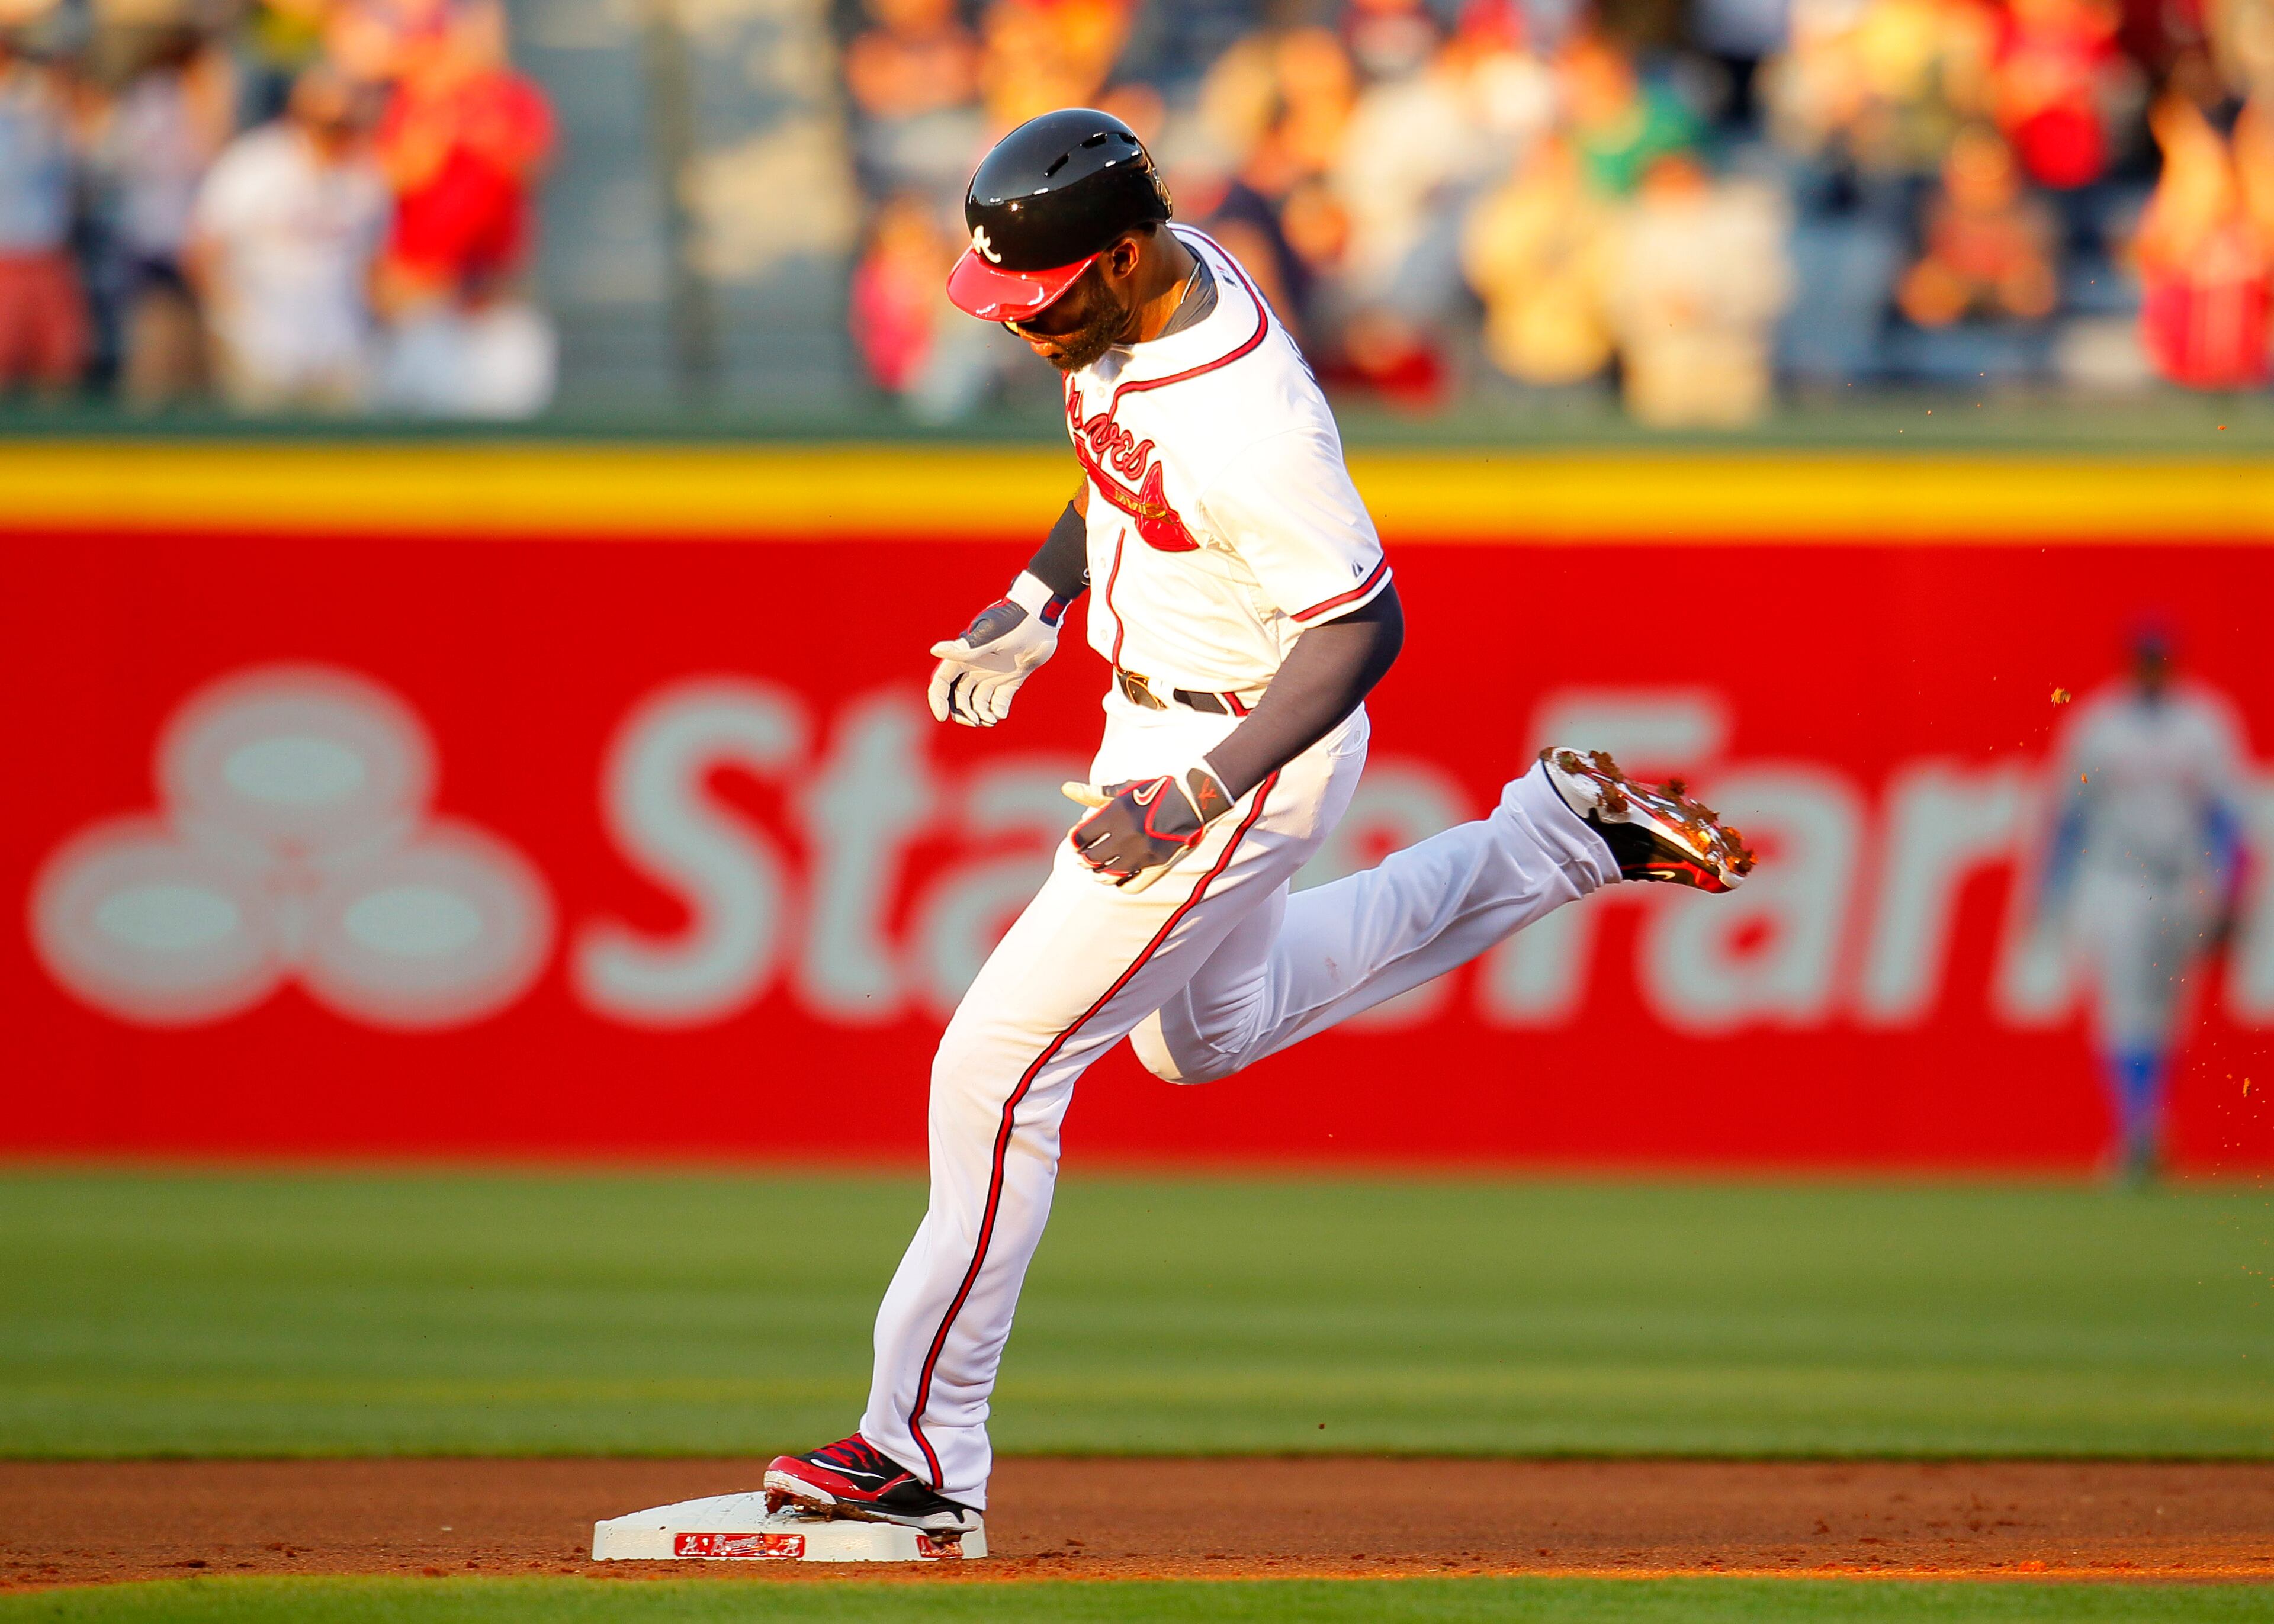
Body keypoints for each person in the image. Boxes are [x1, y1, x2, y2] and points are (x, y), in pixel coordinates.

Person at [756, 108, 1756, 1539]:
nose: (1022, 327)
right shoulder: (1137, 299)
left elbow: (1360, 628)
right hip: (1155, 710)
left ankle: (917, 1447)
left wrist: (1198, 789)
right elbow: (1118, 467)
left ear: (1116, 257)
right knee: (1197, 1038)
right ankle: (1557, 838)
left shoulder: (1247, 417)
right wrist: (1037, 604)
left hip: (1238, 739)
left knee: (993, 1064)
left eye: (1039, 299)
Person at [2039, 629, 2250, 1185]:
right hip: (2116, 881)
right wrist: (2053, 891)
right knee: (2125, 1005)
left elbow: (2227, 812)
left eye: (2160, 661)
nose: (2152, 669)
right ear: (2130, 664)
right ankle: (2137, 1132)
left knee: (2165, 1011)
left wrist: (2231, 886)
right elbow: (2071, 811)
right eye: (2144, 661)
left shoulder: (2203, 722)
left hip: (2182, 880)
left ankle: (2147, 1126)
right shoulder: (2098, 725)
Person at [187, 65, 390, 410]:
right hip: (264, 348)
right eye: (329, 126)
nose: (338, 136)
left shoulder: (366, 177)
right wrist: (232, 322)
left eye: (347, 125)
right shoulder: (256, 164)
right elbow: (202, 250)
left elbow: (372, 265)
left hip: (337, 349)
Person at [0, 25, 85, 397]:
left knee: (60, 365)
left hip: (48, 255)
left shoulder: (45, 112)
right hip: (8, 257)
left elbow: (75, 174)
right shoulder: (23, 109)